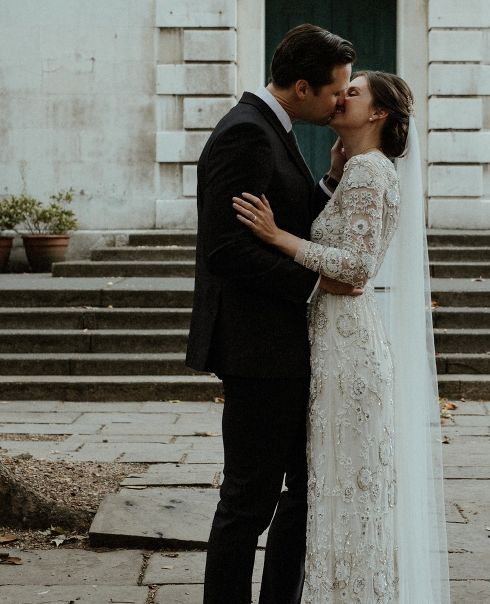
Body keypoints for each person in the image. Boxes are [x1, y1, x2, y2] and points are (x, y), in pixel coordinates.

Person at [234, 71, 450, 602]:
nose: (340, 96)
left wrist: (276, 236)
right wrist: (331, 177)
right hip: (331, 340)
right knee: (331, 485)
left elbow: (355, 268)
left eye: (353, 92)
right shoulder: (355, 170)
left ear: (377, 114)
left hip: (347, 348)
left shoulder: (371, 172)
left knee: (343, 486)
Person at [185, 24, 358, 603]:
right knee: (247, 502)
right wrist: (314, 287)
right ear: (303, 87)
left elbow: (287, 216)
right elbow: (226, 249)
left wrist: (330, 178)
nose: (342, 101)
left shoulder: (270, 128)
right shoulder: (246, 134)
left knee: (302, 491)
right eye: (337, 91)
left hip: (279, 348)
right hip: (257, 349)